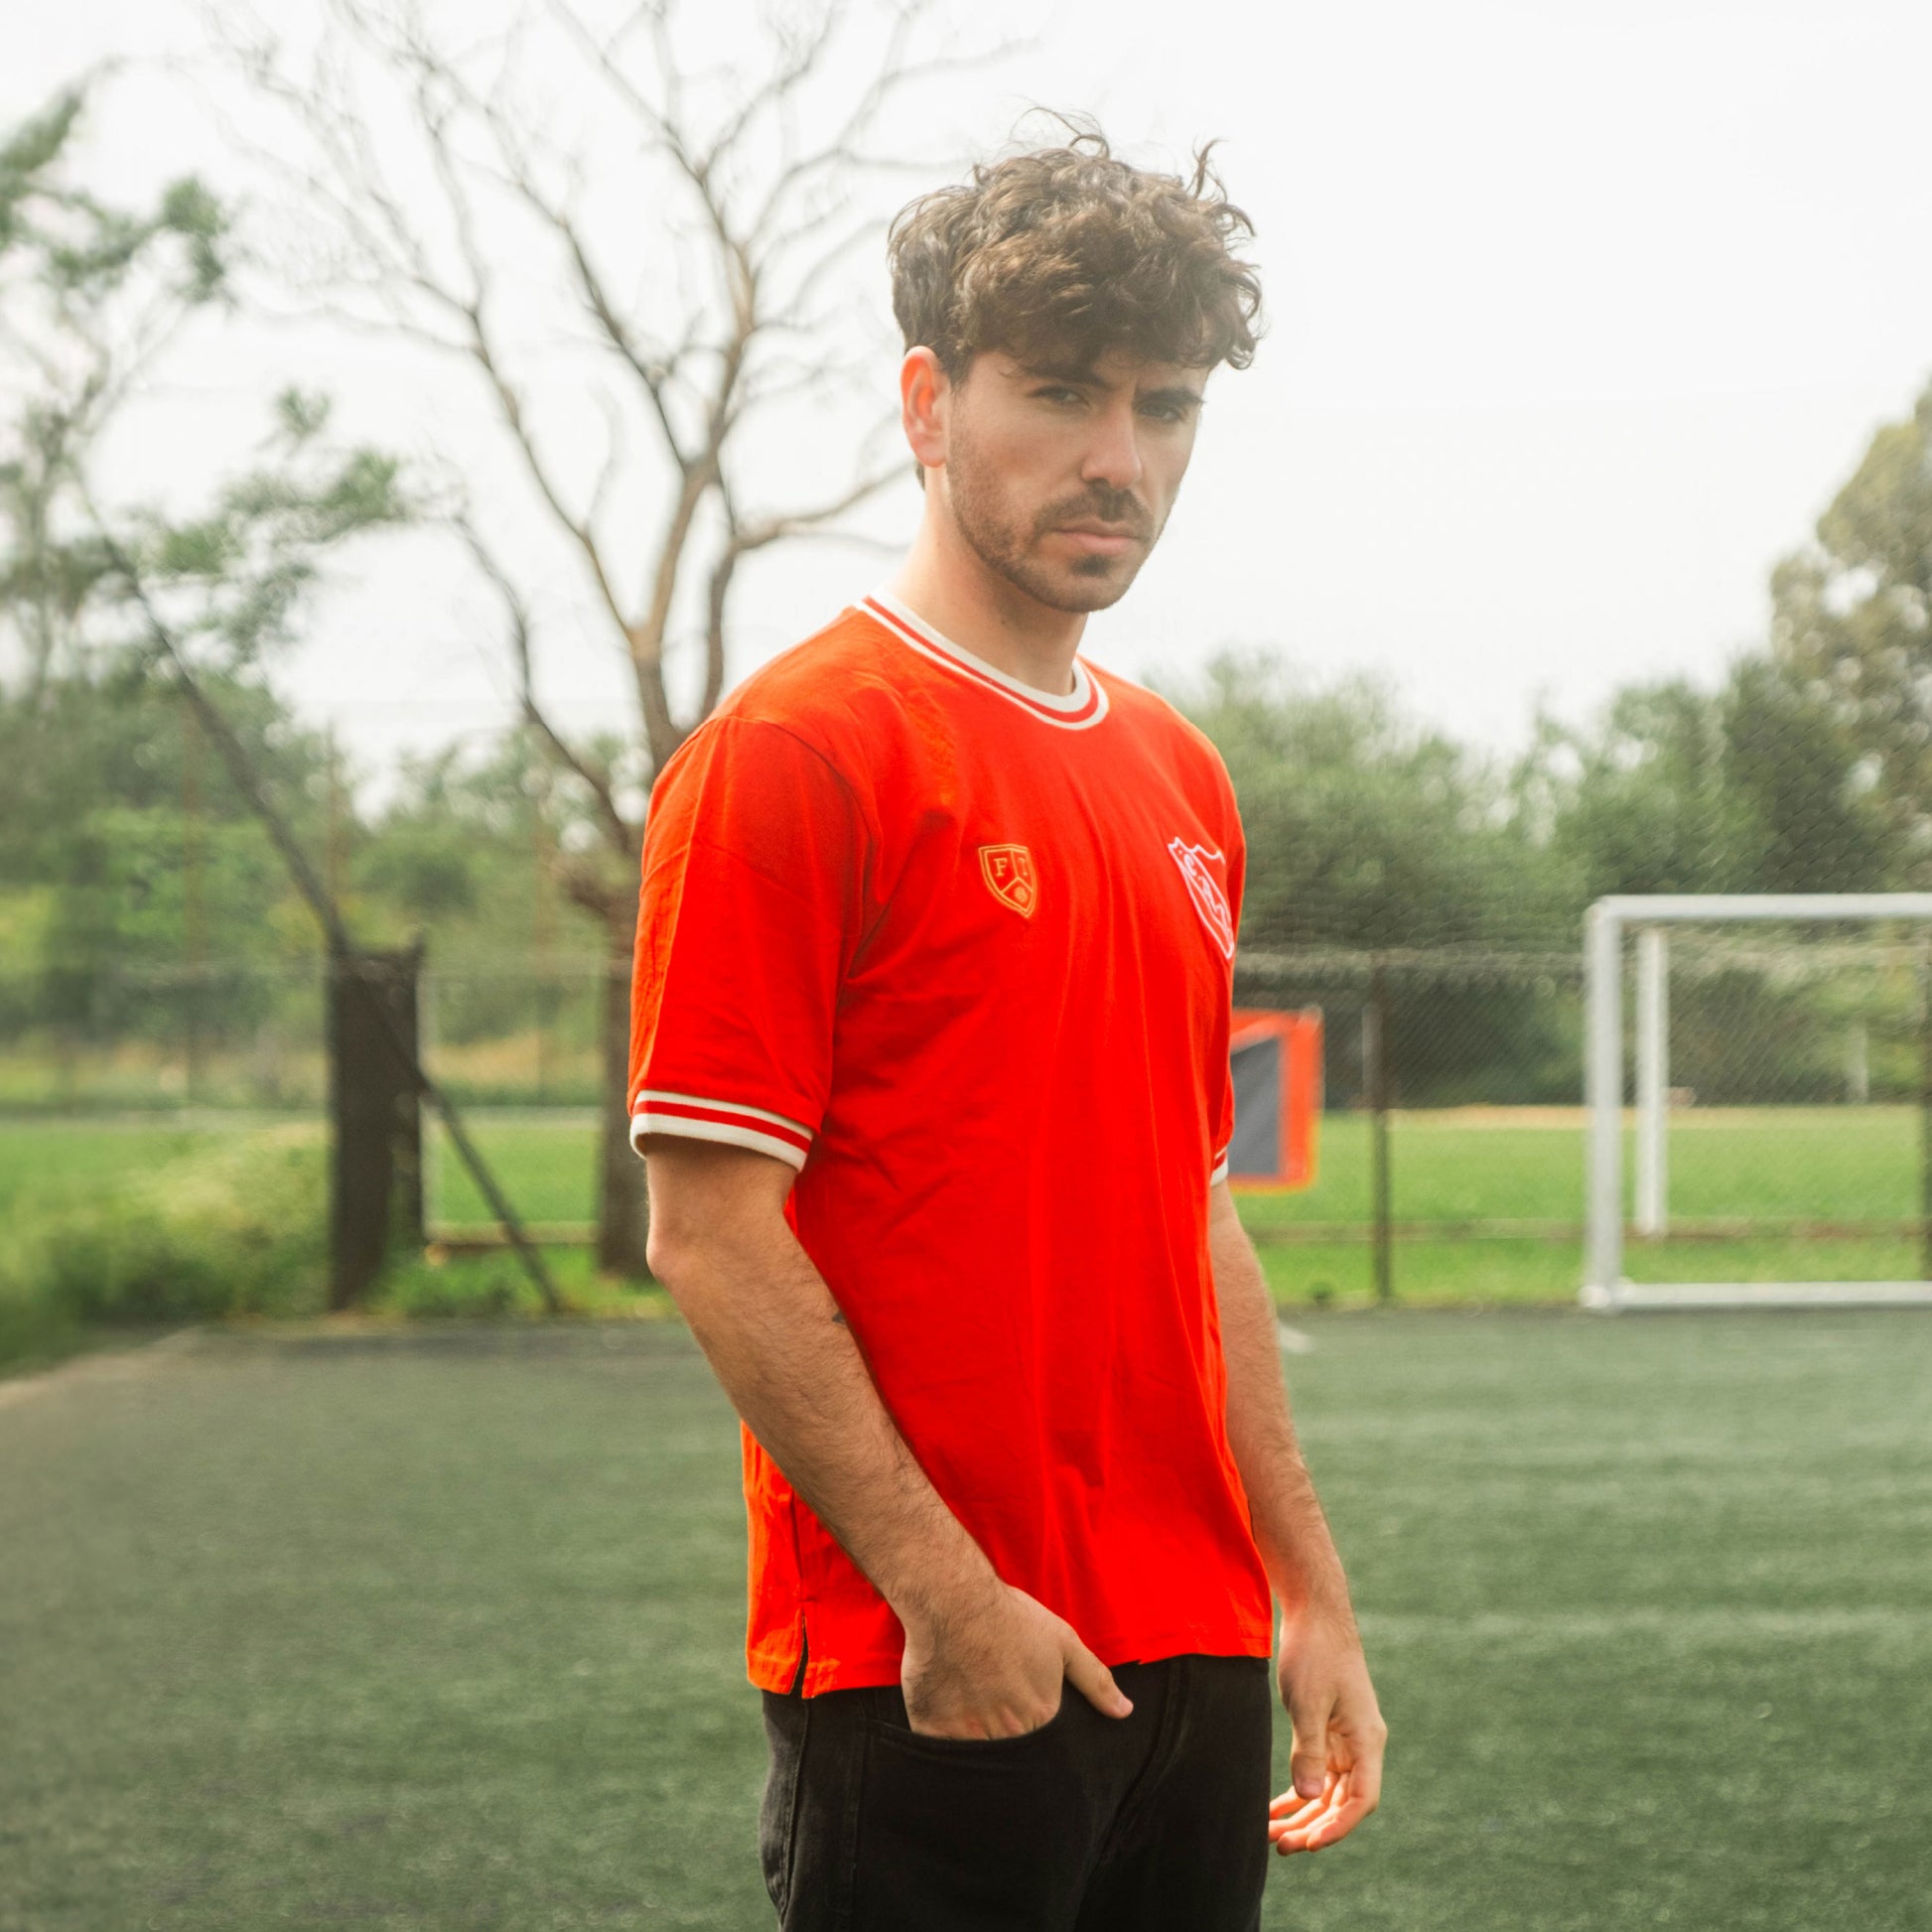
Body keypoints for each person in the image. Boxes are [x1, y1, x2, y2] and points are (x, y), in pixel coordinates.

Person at [628, 127, 1386, 1931]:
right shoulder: (794, 752)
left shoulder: (1179, 773)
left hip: (1193, 1645)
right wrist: (945, 1594)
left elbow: (1194, 1205)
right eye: (1058, 391)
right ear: (927, 402)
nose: (1117, 455)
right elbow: (711, 1229)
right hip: (936, 1662)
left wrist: (1305, 1584)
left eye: (1163, 404)